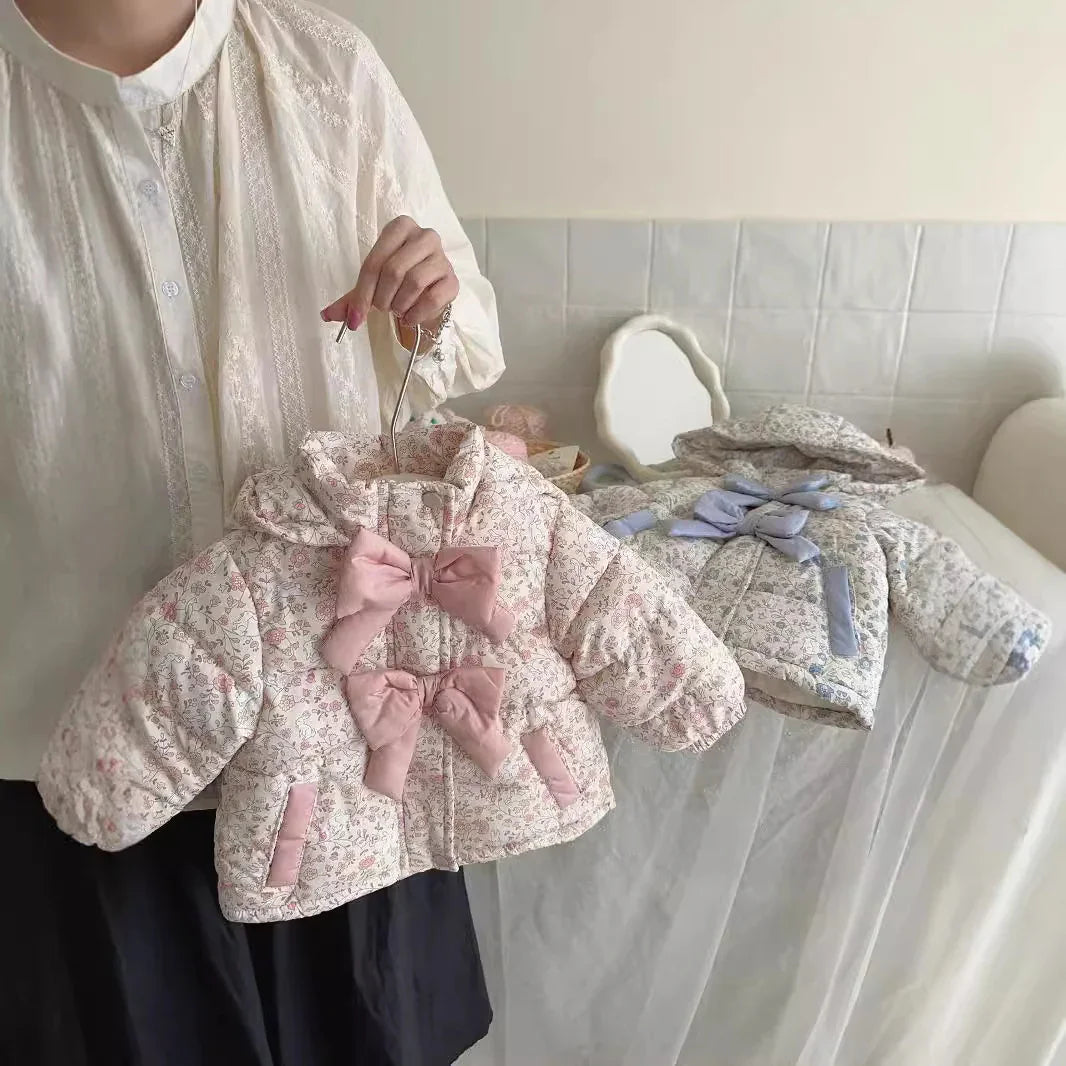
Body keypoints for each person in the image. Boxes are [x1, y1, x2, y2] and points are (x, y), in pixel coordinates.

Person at [0, 0, 504, 1062]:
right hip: (73, 745)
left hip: (329, 729)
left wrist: (433, 301)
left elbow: (462, 334)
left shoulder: (325, 69)